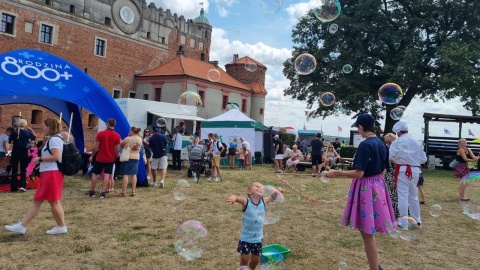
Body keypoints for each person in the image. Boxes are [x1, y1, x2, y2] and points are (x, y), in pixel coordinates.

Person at [326, 113, 395, 270]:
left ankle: (374, 268)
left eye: (358, 127)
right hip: (378, 185)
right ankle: (376, 264)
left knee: (367, 233)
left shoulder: (365, 145)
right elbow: (384, 171)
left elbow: (359, 173)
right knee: (368, 231)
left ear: (361, 127)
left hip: (366, 189)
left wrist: (336, 173)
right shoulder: (382, 144)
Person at [5, 118, 67, 235]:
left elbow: (56, 156)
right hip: (50, 173)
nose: (43, 128)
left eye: (44, 126)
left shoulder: (54, 140)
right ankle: (60, 226)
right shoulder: (56, 139)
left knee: (43, 201)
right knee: (50, 201)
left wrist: (40, 159)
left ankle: (23, 226)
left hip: (51, 173)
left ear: (50, 127)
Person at [225, 182, 284, 270]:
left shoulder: (263, 201)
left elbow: (272, 197)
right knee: (244, 259)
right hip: (245, 238)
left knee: (256, 260)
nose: (260, 188)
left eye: (262, 188)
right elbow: (237, 198)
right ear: (249, 191)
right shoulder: (246, 202)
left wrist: (277, 192)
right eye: (257, 186)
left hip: (258, 238)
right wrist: (234, 198)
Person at [389, 121, 427, 226]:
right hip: (415, 171)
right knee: (414, 196)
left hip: (402, 171)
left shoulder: (397, 142)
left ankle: (404, 223)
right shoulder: (417, 141)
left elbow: (389, 156)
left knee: (403, 196)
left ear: (398, 132)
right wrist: (413, 161)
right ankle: (417, 220)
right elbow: (423, 159)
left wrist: (397, 159)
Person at [86, 118, 121, 199]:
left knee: (95, 174)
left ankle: (92, 191)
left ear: (107, 124)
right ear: (114, 125)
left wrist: (92, 155)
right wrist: (115, 157)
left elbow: (96, 147)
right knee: (107, 175)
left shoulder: (100, 134)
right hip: (110, 158)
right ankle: (103, 192)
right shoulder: (117, 135)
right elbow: (118, 149)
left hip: (100, 158)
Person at [9, 119, 36, 192]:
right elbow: (34, 137)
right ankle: (22, 186)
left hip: (15, 151)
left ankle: (13, 188)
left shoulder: (14, 133)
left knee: (14, 169)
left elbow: (9, 141)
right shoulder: (27, 132)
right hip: (24, 151)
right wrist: (31, 130)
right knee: (23, 169)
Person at [118, 127, 142, 197]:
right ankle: (133, 191)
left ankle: (123, 192)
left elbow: (121, 144)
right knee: (134, 174)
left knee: (125, 174)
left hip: (128, 157)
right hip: (136, 157)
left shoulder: (128, 138)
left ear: (131, 131)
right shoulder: (140, 139)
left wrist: (128, 137)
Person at [384, 133, 400, 218]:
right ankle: (390, 212)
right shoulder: (386, 150)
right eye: (386, 142)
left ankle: (397, 212)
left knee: (396, 194)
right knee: (389, 193)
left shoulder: (399, 150)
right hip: (388, 175)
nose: (388, 144)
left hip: (397, 174)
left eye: (390, 142)